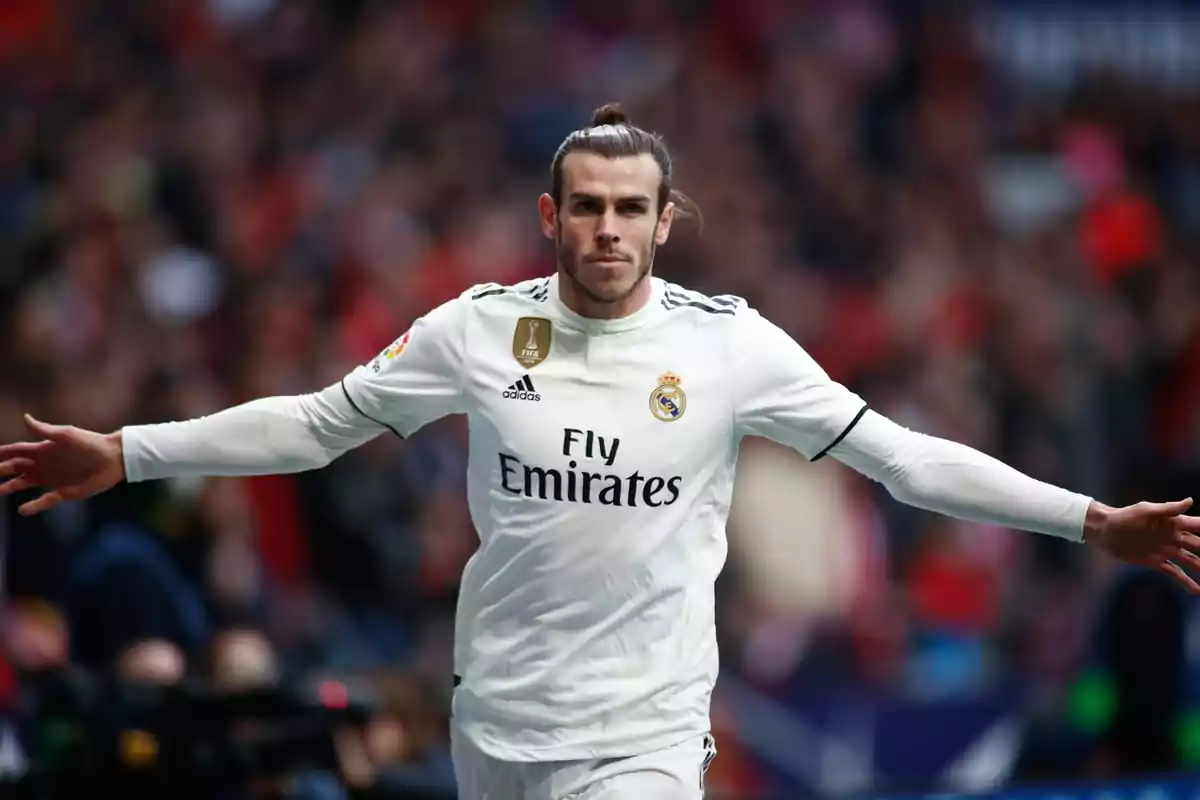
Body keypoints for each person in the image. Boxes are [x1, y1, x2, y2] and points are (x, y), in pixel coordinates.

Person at [2, 103, 1199, 800]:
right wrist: (126, 449)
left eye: (632, 207)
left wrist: (1094, 521)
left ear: (667, 221)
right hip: (495, 725)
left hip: (640, 736)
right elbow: (315, 425)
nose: (609, 227)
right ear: (551, 215)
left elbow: (905, 460)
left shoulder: (733, 349)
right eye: (588, 205)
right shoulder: (475, 329)